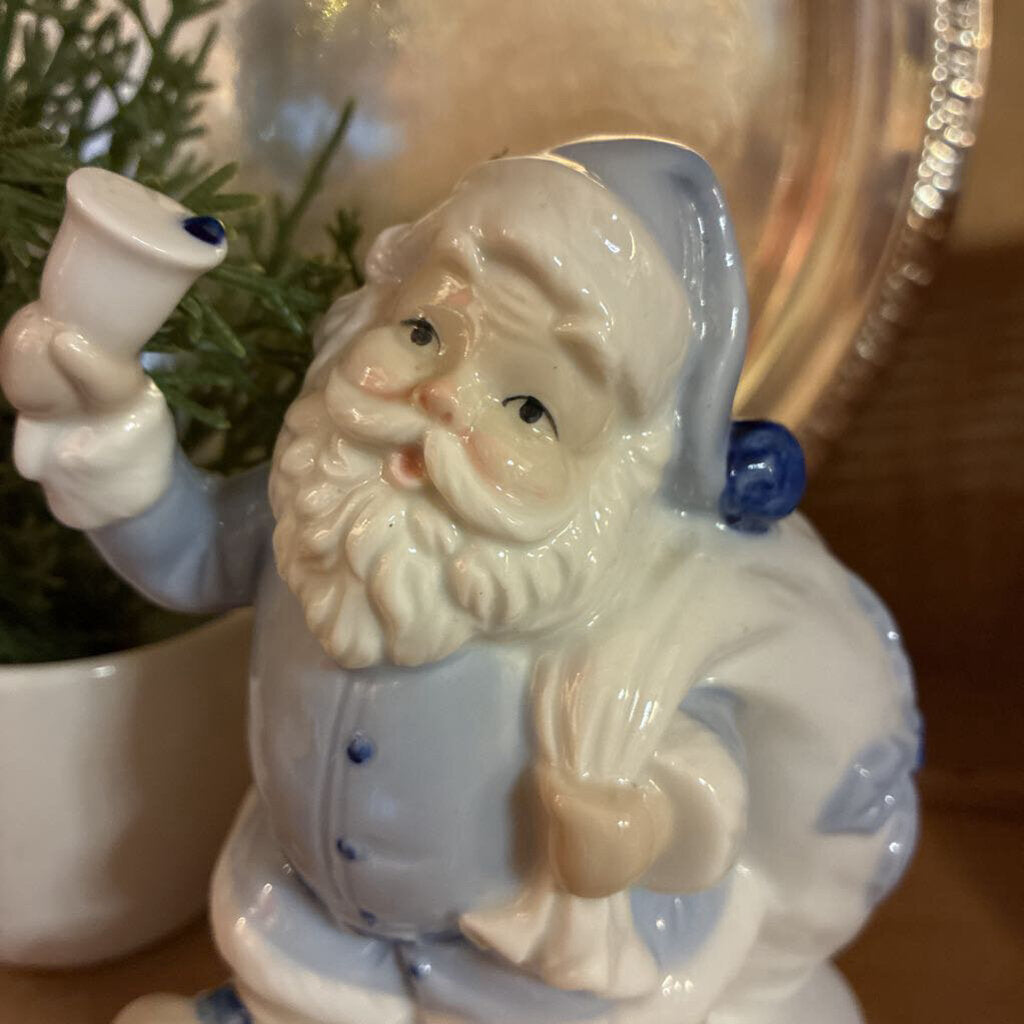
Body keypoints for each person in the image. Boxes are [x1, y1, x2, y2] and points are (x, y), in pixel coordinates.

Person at [1, 138, 920, 1024]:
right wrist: (106, 426)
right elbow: (190, 550)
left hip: (514, 959)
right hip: (315, 912)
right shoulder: (314, 505)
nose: (441, 394)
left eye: (529, 406)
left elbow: (695, 758)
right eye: (423, 330)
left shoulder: (616, 612)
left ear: (614, 468)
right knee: (302, 983)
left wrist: (640, 823)